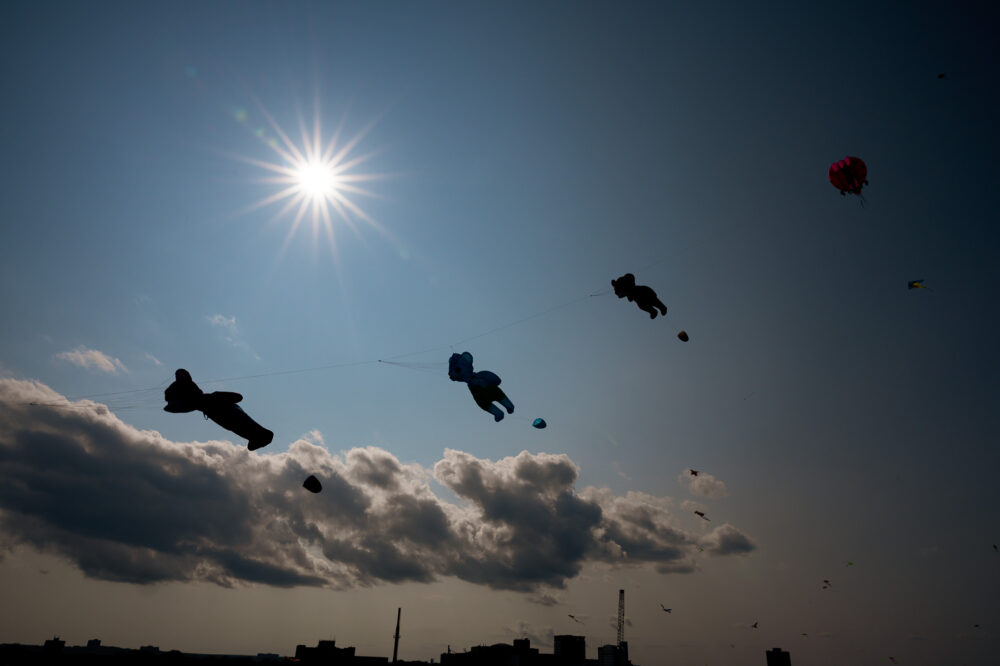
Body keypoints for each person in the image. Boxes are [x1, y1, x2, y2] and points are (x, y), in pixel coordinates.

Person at [164, 369, 273, 450]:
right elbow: (176, 408)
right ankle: (258, 436)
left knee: (240, 425)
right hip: (228, 418)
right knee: (238, 427)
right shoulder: (206, 404)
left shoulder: (211, 399)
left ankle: (260, 435)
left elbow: (238, 397)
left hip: (229, 414)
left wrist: (217, 397)